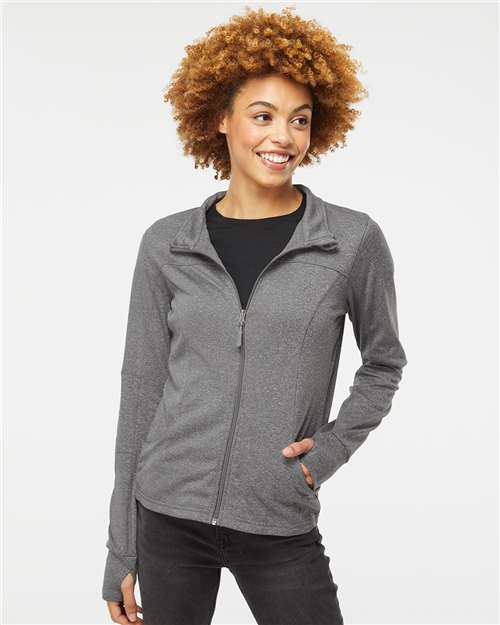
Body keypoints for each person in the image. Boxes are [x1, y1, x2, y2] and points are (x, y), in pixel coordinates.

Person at [102, 7, 408, 625]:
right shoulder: (167, 243)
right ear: (221, 118)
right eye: (263, 116)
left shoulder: (349, 241)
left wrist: (326, 454)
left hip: (277, 513)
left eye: (299, 119)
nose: (283, 137)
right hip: (166, 513)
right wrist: (121, 547)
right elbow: (141, 391)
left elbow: (383, 363)